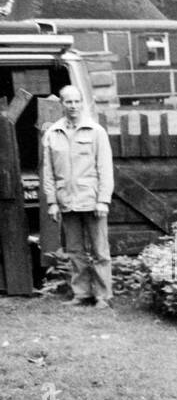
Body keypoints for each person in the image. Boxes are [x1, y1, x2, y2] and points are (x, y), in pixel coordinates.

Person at [40, 85, 113, 308]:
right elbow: (49, 172)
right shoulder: (53, 133)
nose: (72, 106)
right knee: (74, 251)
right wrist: (52, 201)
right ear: (61, 104)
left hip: (92, 202)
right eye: (68, 102)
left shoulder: (96, 131)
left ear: (82, 103)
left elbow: (105, 168)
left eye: (76, 101)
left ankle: (102, 295)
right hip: (67, 203)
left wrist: (103, 199)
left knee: (100, 251)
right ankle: (81, 293)